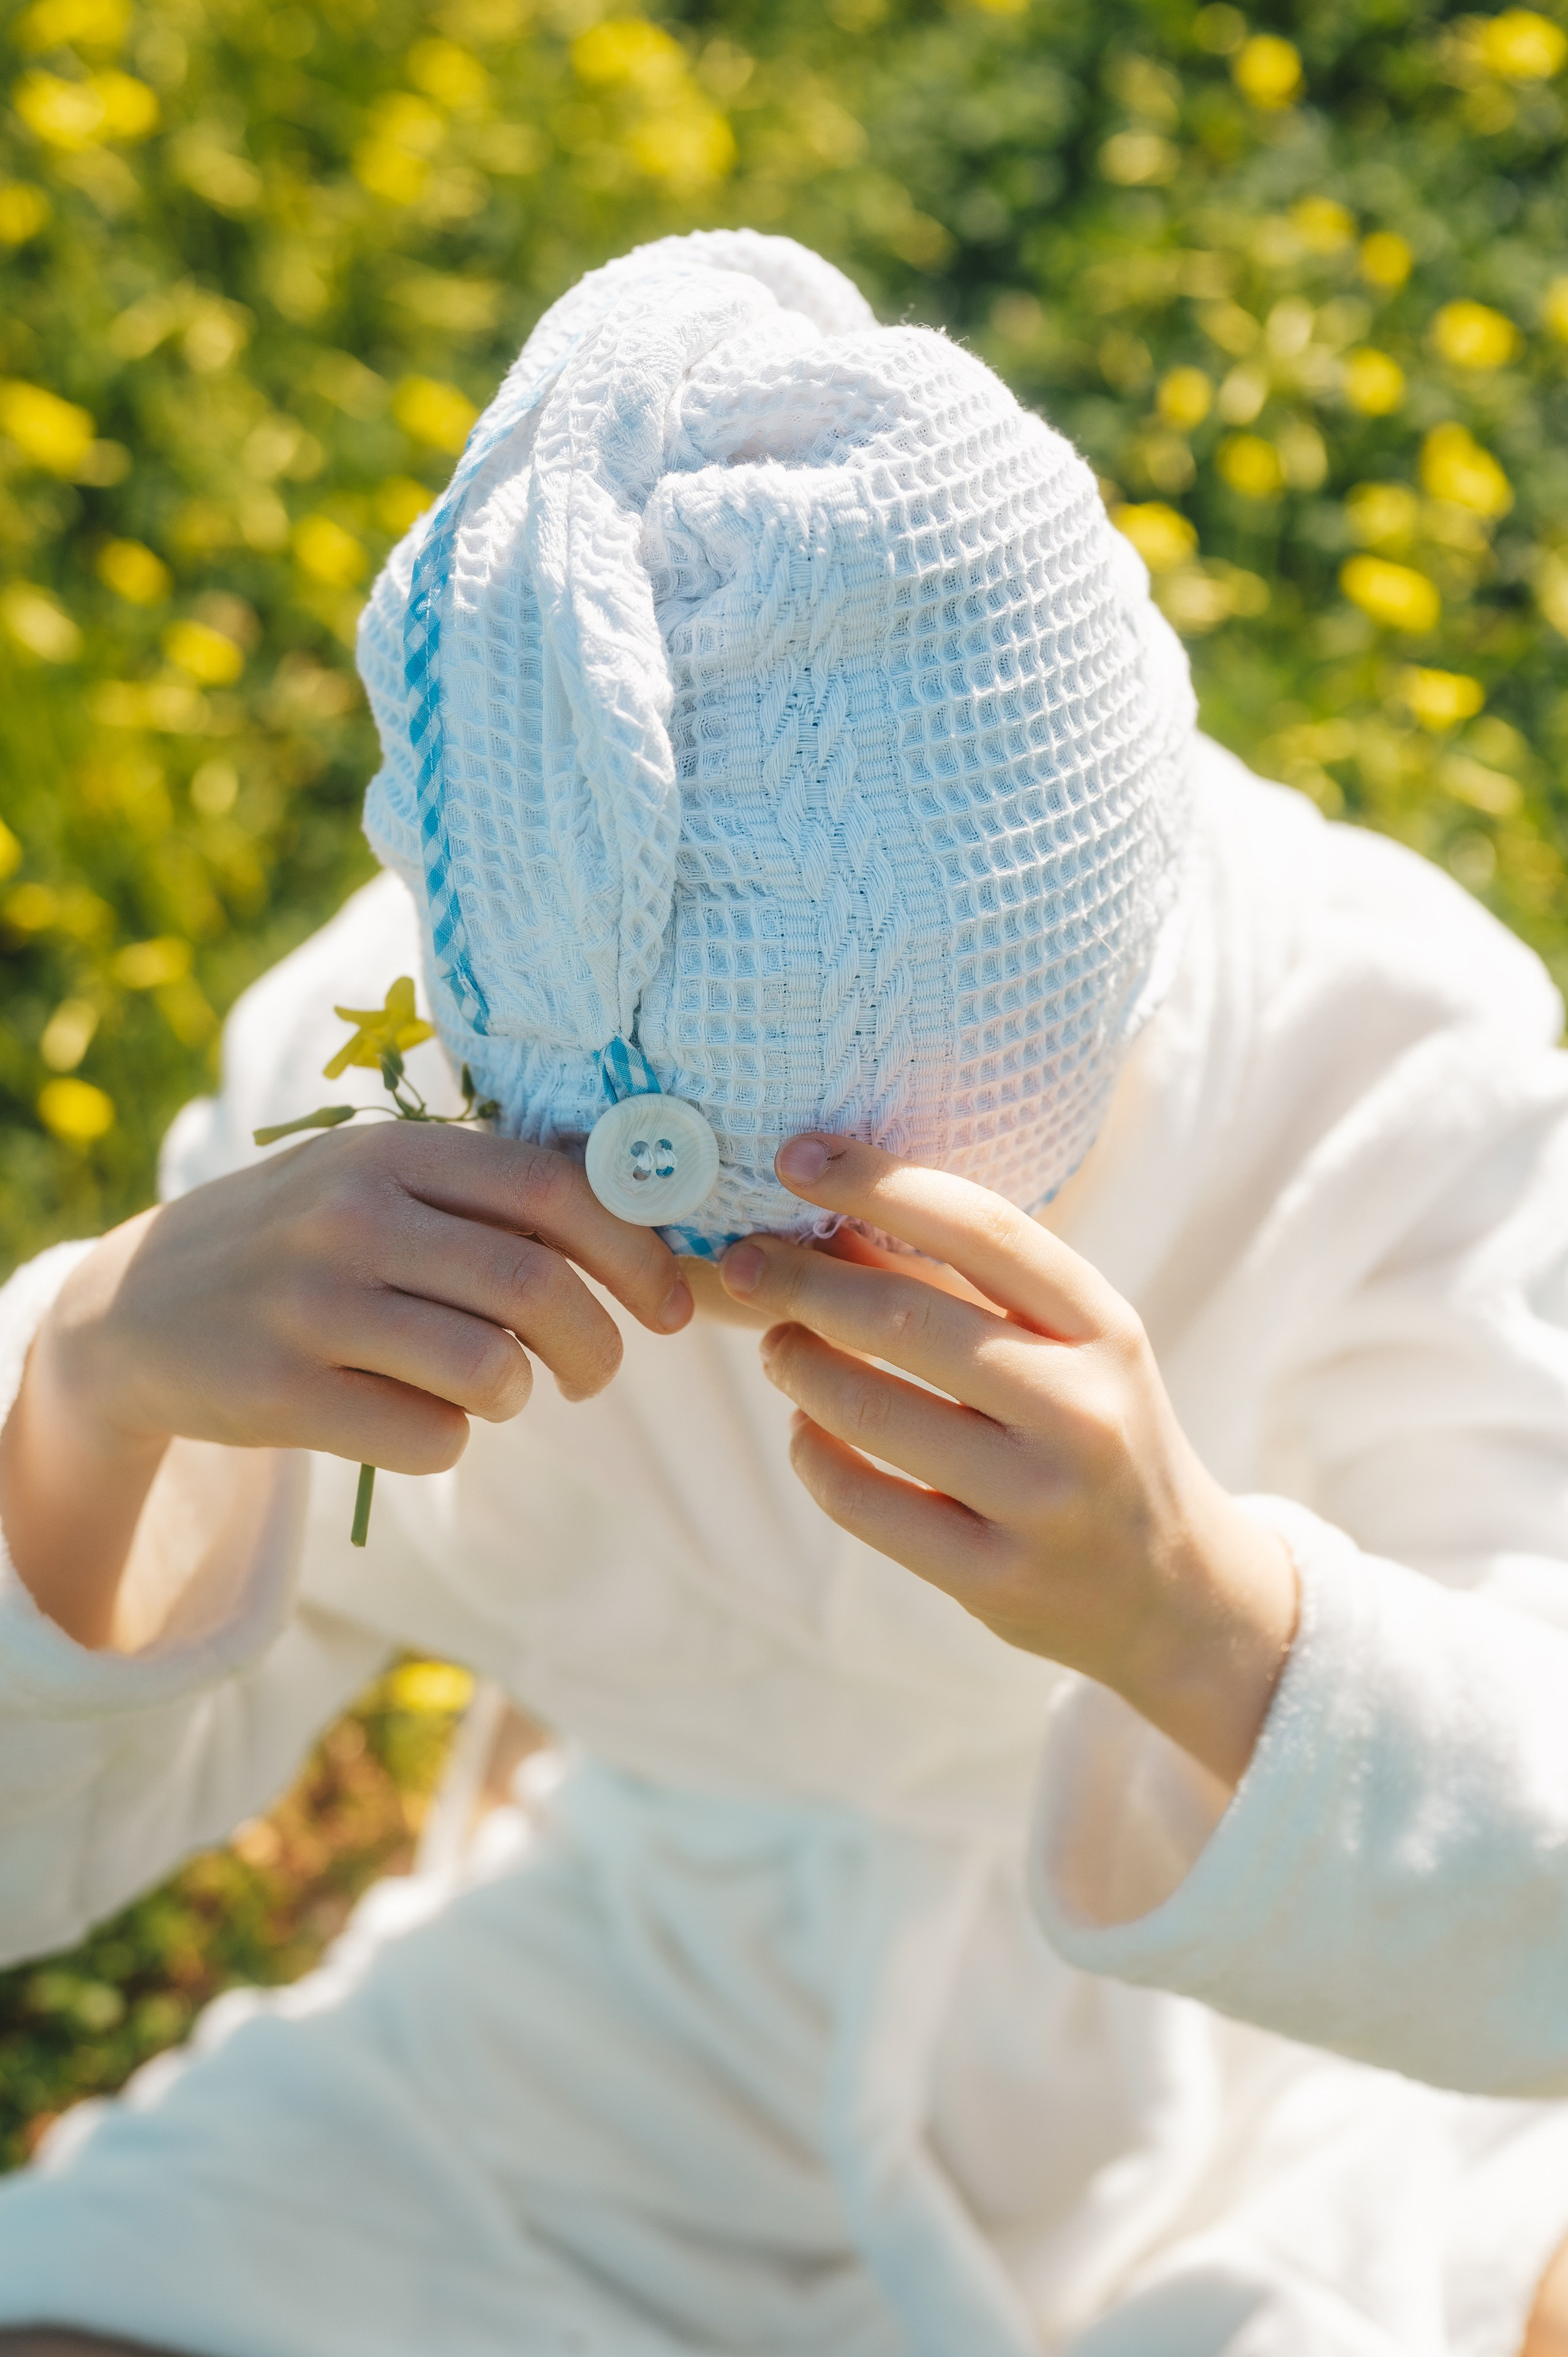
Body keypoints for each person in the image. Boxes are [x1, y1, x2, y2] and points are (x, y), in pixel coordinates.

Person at [2, 229, 1568, 2356]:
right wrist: (92, 1393)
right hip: (647, 2013)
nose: (740, 1292)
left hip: (1282, 2067)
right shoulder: (369, 1110)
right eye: (639, 1191)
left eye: (868, 1182)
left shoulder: (1390, 1062)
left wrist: (1203, 1617)